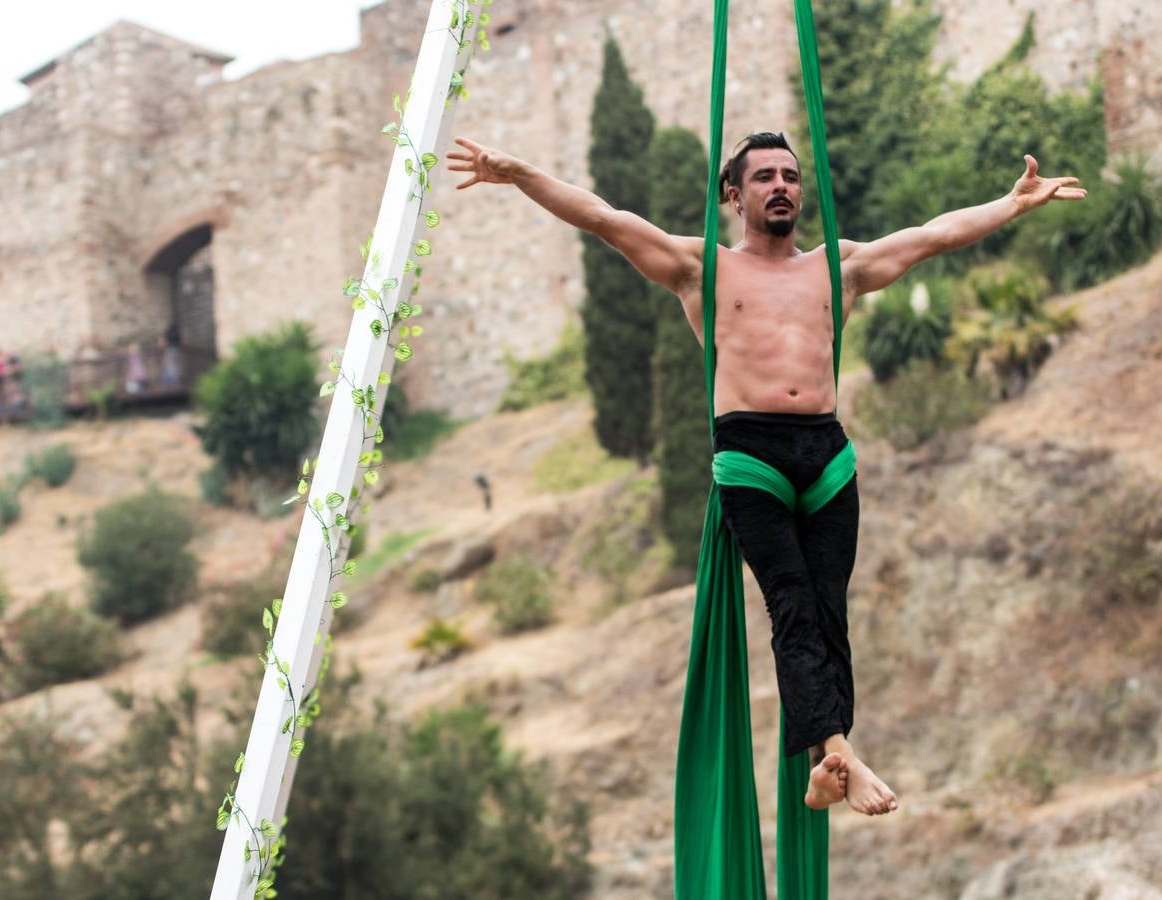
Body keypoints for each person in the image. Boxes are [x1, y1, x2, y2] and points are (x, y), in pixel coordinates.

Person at [447, 131, 1086, 817]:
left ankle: (825, 766)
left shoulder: (837, 267)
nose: (780, 186)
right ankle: (838, 751)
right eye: (764, 178)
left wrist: (1010, 205)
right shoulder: (702, 270)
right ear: (734, 194)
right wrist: (517, 172)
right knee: (792, 602)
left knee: (829, 609)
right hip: (750, 452)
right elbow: (602, 217)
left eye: (789, 176)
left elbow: (932, 236)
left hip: (827, 449)